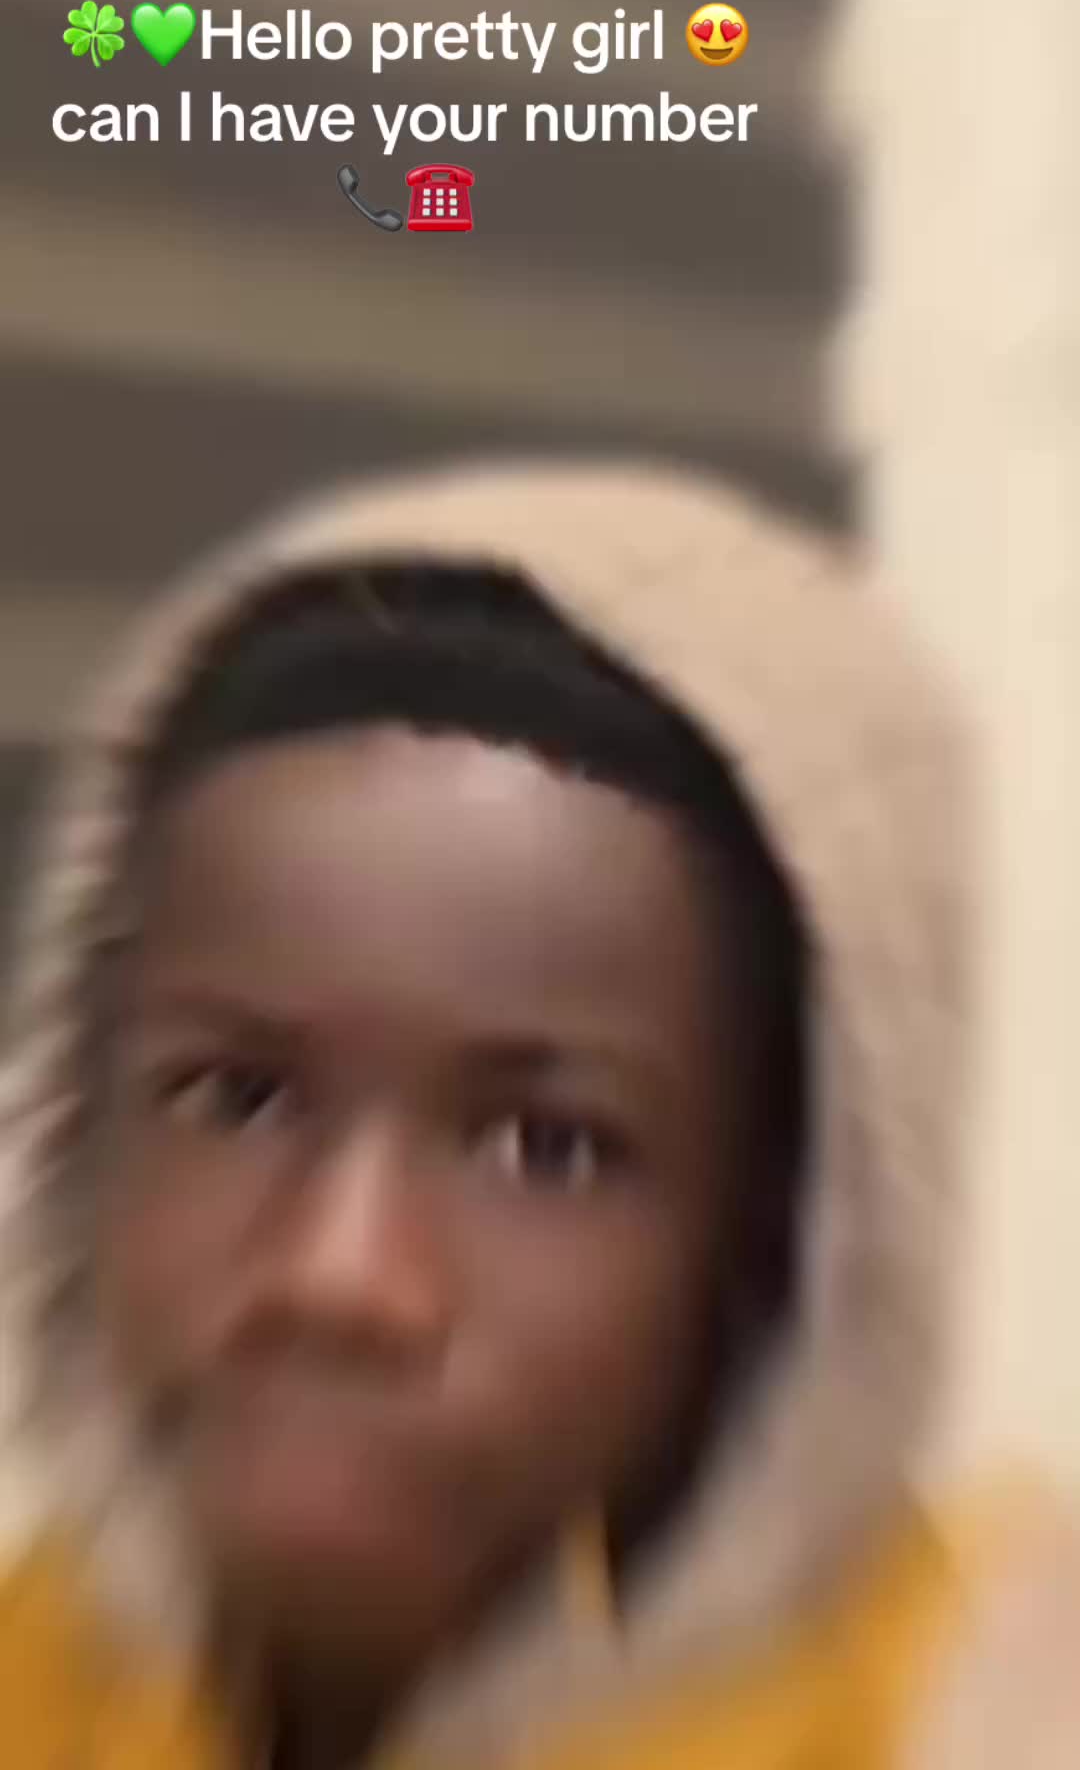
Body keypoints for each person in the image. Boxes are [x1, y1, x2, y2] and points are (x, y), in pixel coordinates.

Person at [0, 458, 1074, 1768]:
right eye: (241, 1095)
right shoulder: (38, 1672)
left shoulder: (969, 1713)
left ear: (782, 1238)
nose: (338, 1271)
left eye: (544, 1148)